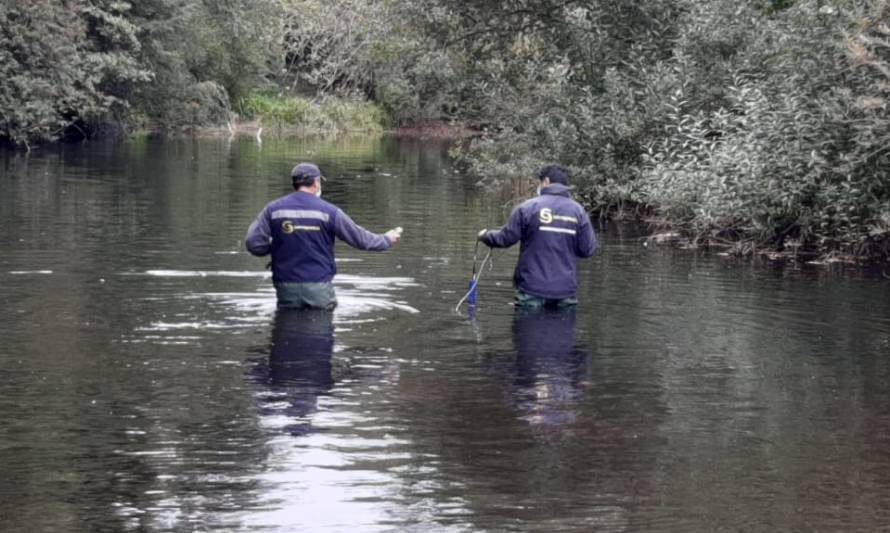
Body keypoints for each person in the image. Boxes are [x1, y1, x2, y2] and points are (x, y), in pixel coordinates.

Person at [245, 162, 401, 310]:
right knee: (320, 334)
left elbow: (253, 243)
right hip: (319, 288)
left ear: (295, 183)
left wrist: (276, 246)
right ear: (316, 182)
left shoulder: (272, 210)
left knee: (286, 330)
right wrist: (386, 240)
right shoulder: (330, 211)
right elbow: (360, 239)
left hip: (286, 288)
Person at [478, 164, 597, 308]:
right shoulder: (578, 212)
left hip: (531, 290)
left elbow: (506, 238)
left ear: (546, 181)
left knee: (527, 328)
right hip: (565, 292)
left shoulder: (527, 208)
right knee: (562, 329)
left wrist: (486, 236)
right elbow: (587, 250)